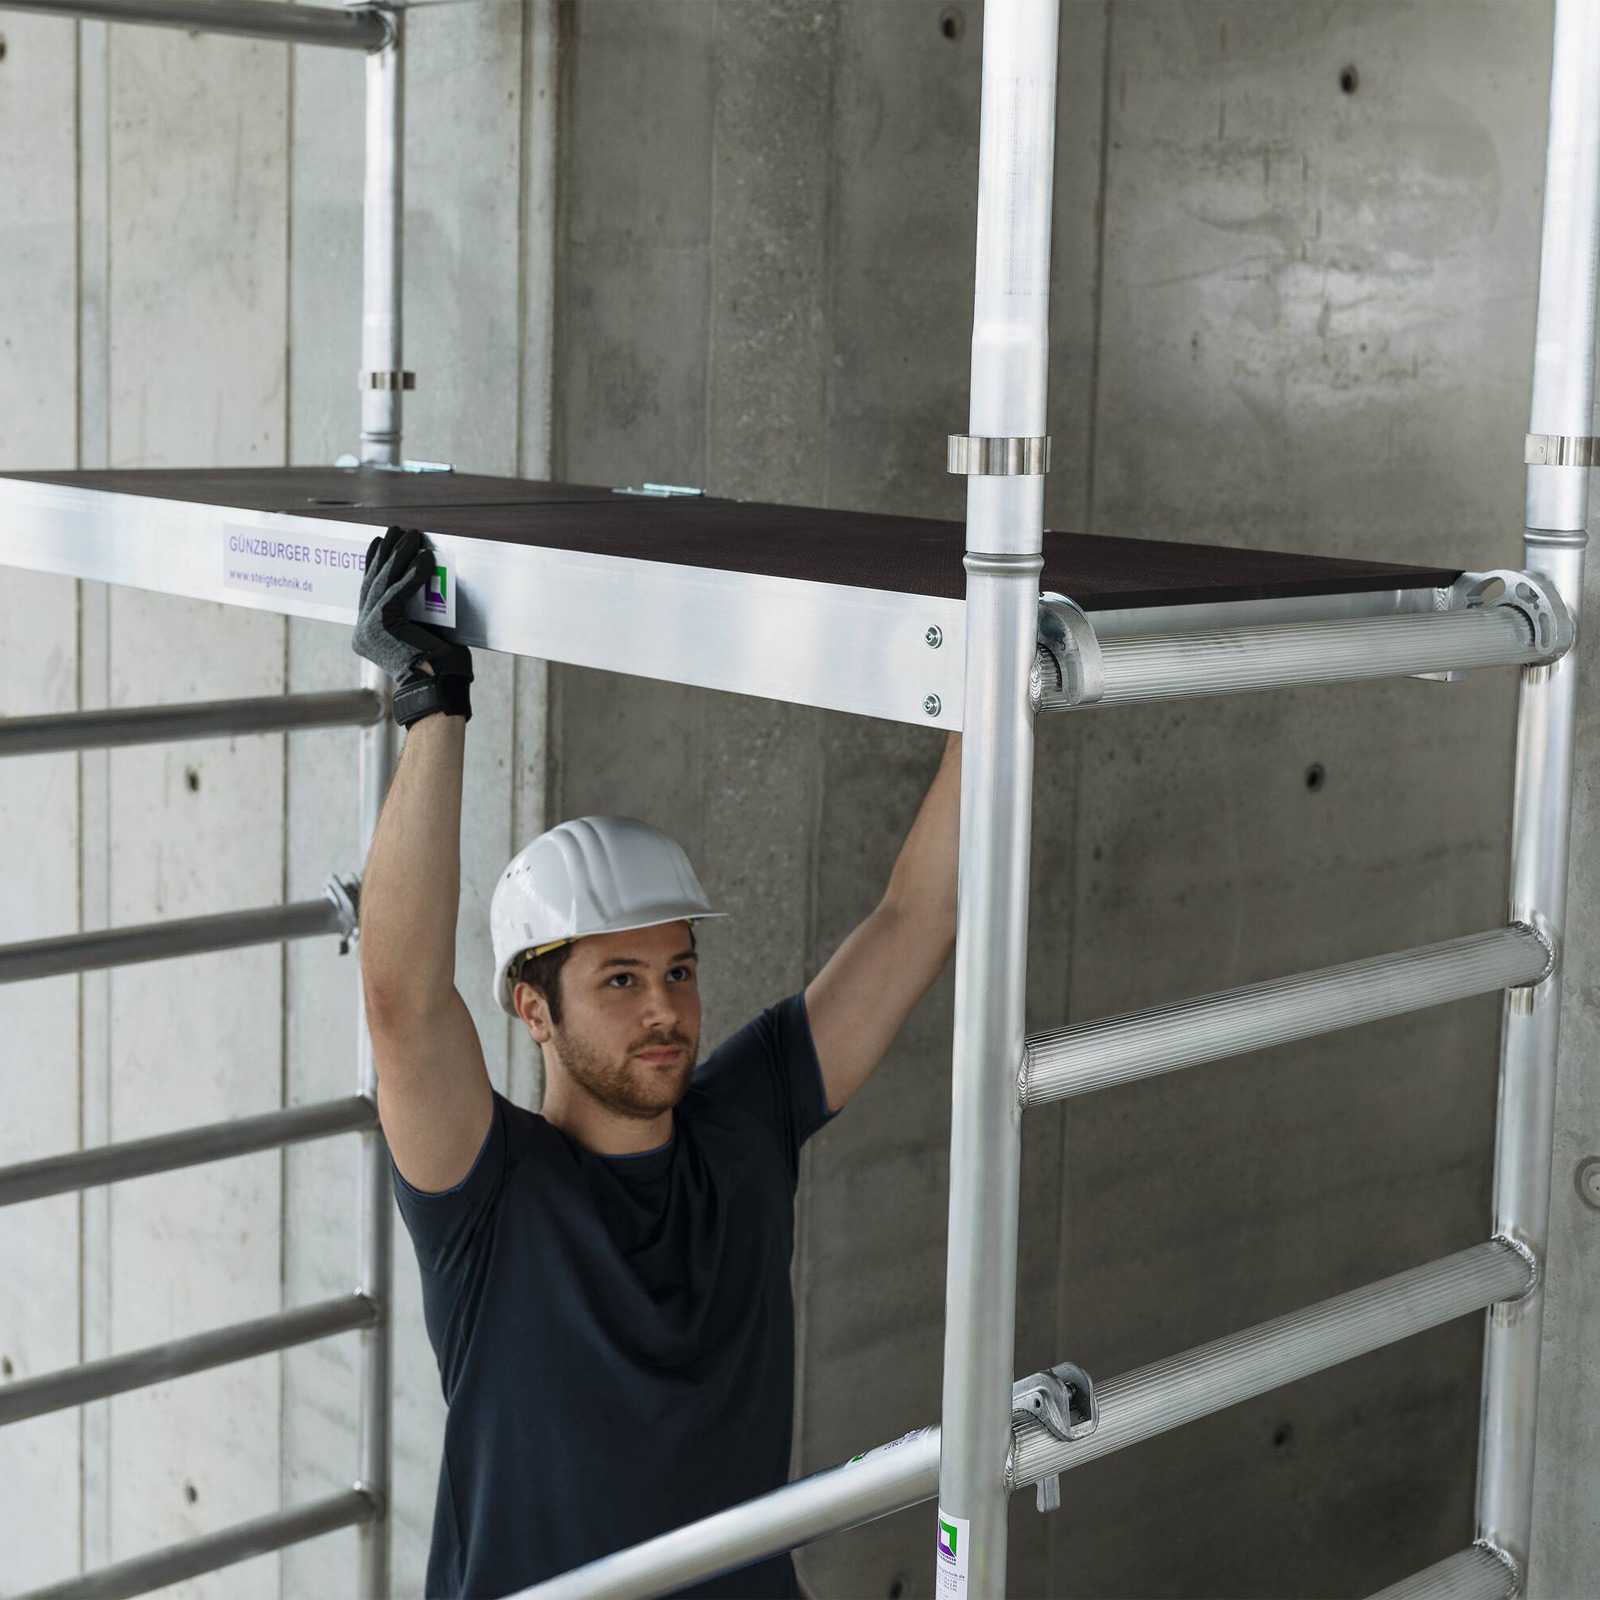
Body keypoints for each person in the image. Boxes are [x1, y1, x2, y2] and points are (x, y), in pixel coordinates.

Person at [353, 526, 961, 1599]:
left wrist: (992, 687)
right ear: (533, 1010)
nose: (666, 1008)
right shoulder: (490, 1196)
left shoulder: (745, 1119)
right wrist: (433, 705)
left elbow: (916, 917)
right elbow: (401, 1003)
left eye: (677, 970)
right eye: (620, 981)